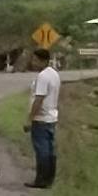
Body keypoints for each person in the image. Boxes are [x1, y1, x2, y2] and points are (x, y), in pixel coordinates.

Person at [23, 48, 60, 188]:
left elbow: (39, 99)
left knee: (42, 150)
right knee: (50, 149)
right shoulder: (54, 74)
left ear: (42, 60)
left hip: (41, 118)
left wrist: (29, 119)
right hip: (51, 117)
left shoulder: (43, 76)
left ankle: (41, 179)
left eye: (35, 60)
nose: (33, 62)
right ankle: (49, 178)